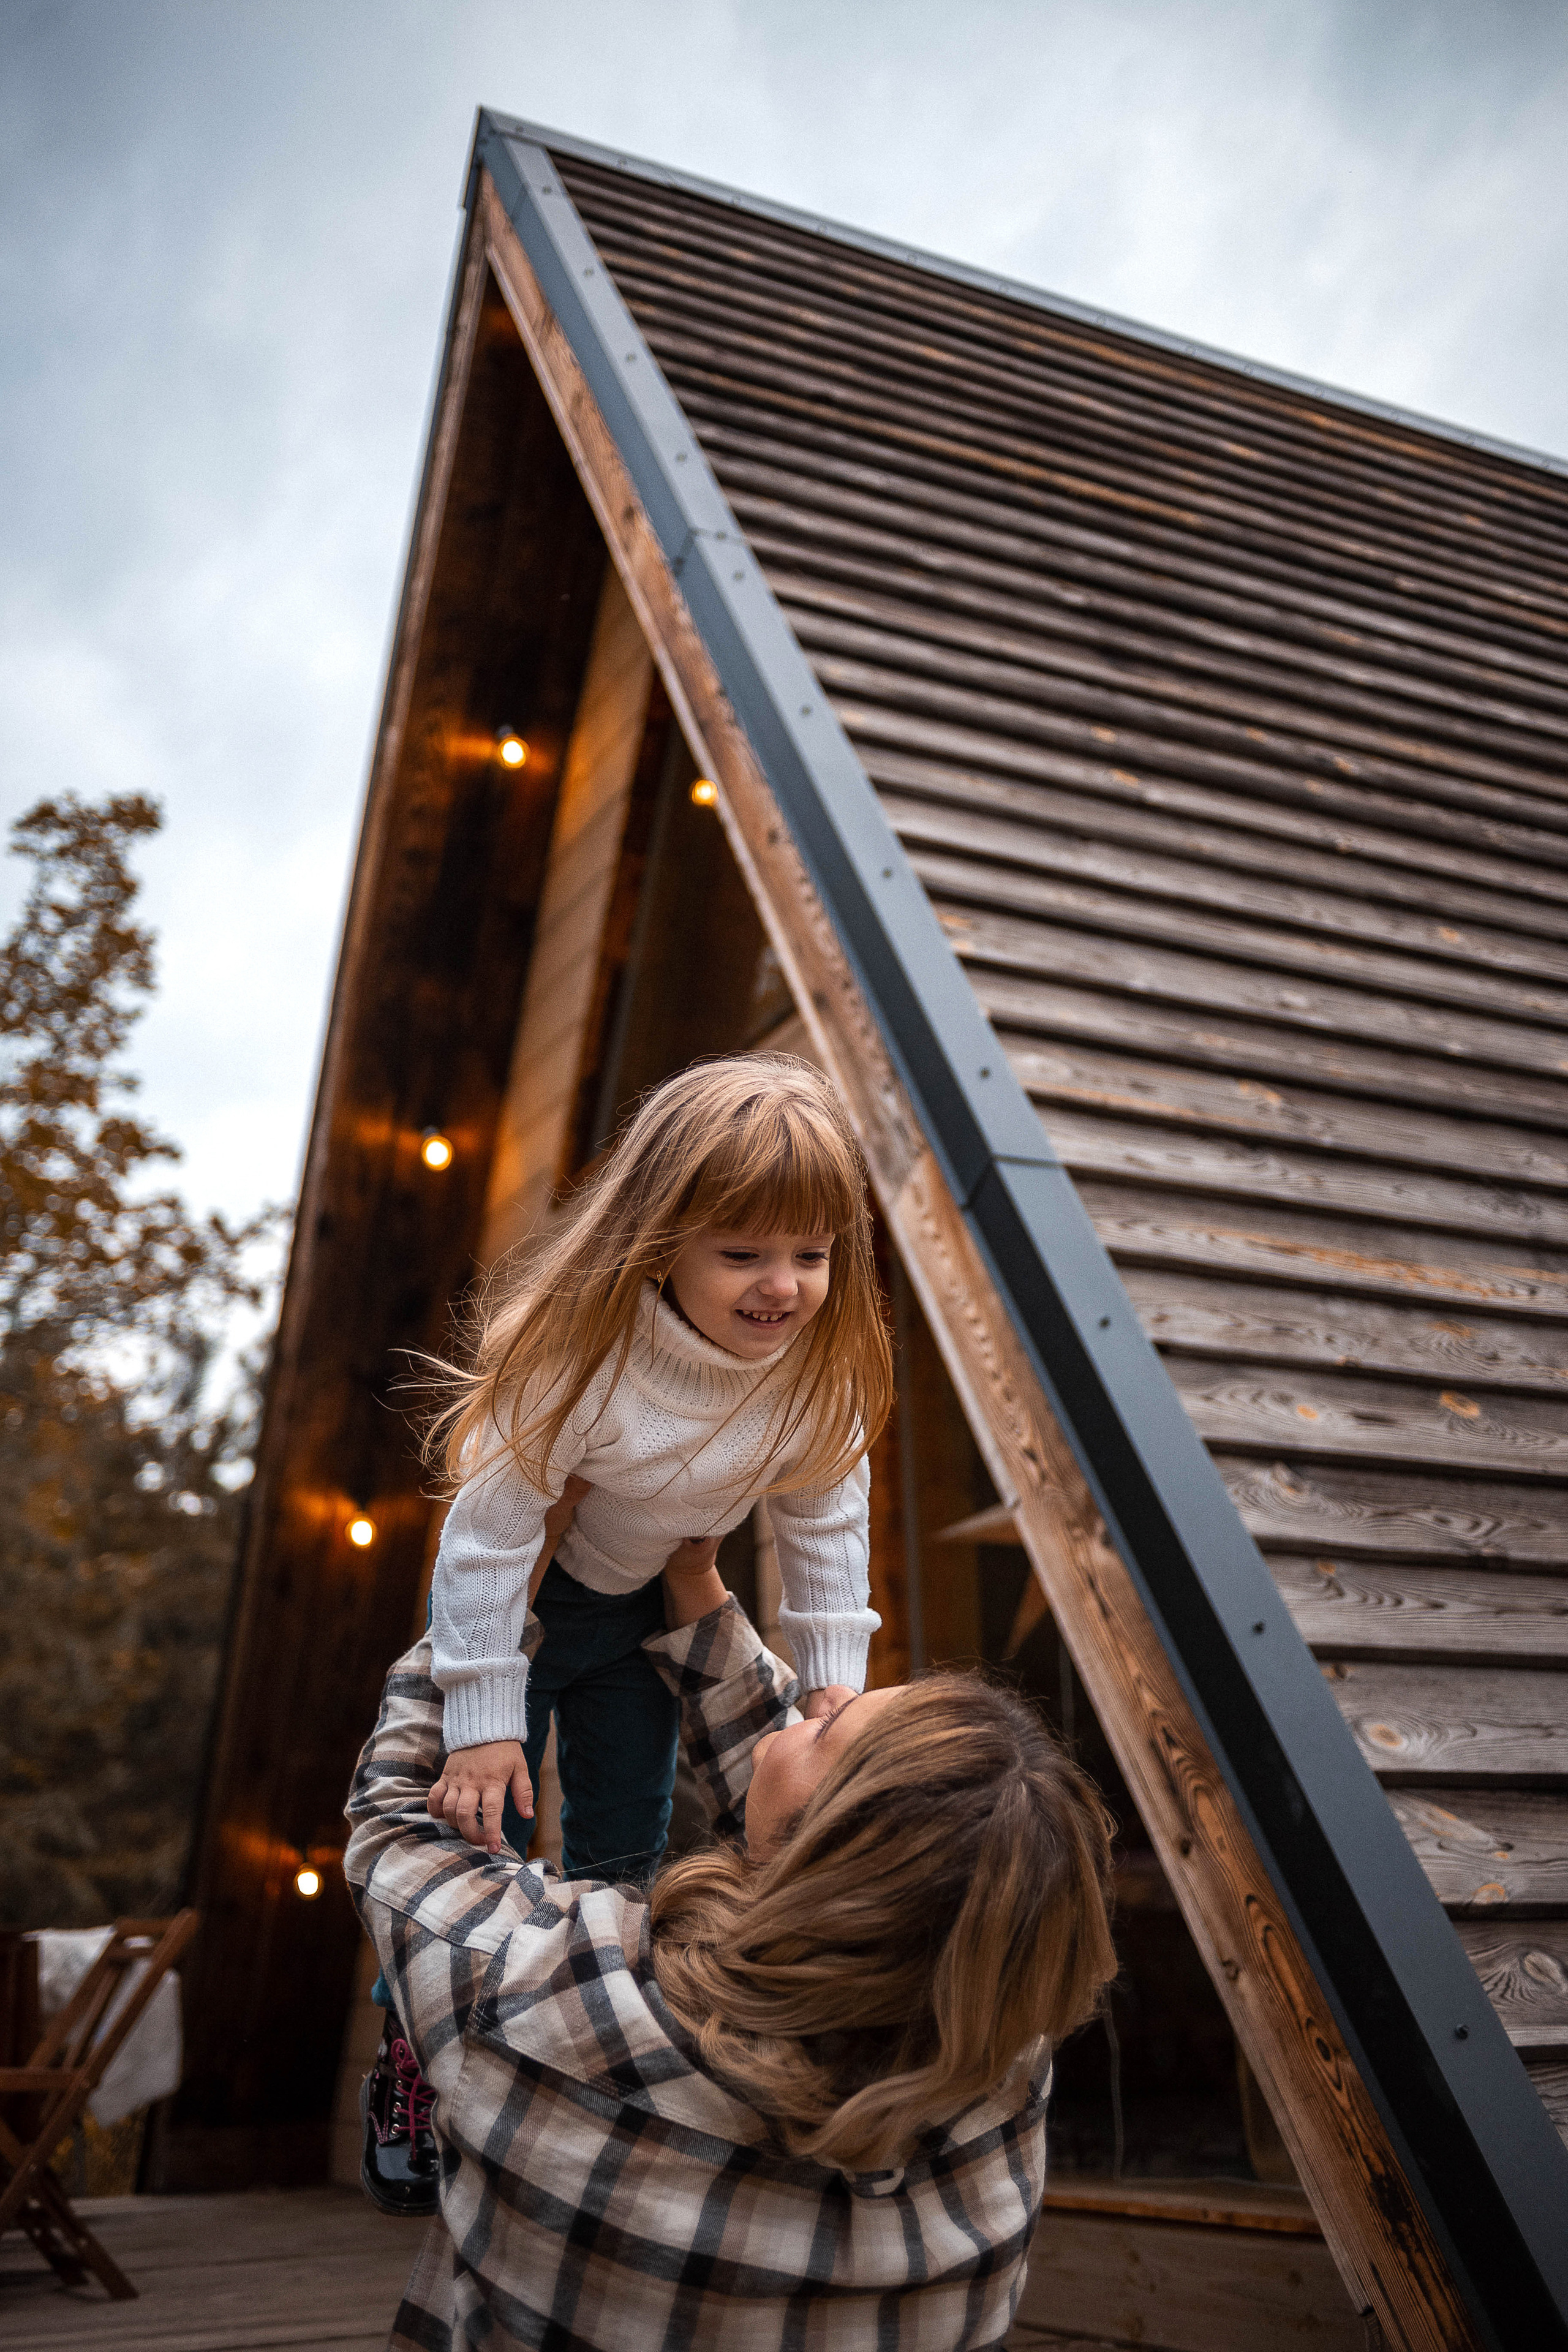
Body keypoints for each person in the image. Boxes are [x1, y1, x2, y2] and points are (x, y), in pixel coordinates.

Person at [344, 1527, 1117, 2348]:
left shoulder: (562, 2009)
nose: (827, 1696)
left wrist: (496, 1594)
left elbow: (402, 1834)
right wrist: (695, 1578)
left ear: (816, 1863)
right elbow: (827, 1817)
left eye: (832, 1729)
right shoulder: (1002, 2069)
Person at [360, 1055, 894, 2212]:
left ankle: (596, 2076)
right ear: (663, 1240)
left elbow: (825, 1525)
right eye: (743, 1253)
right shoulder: (583, 1351)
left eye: (811, 1254)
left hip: (648, 1621)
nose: (783, 1287)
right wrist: (485, 1715)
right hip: (531, 1614)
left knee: (626, 1848)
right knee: (478, 1829)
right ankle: (413, 2056)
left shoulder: (818, 1376)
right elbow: (493, 1535)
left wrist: (833, 1690)